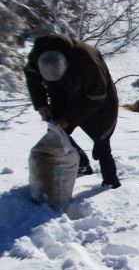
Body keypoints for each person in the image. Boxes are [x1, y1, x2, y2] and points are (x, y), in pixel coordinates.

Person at [24, 34, 121, 189]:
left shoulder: (87, 60)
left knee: (102, 139)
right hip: (61, 91)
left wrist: (70, 118)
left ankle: (111, 182)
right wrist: (41, 104)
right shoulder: (38, 55)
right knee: (57, 130)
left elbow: (97, 96)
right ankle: (82, 165)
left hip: (97, 97)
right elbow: (32, 77)